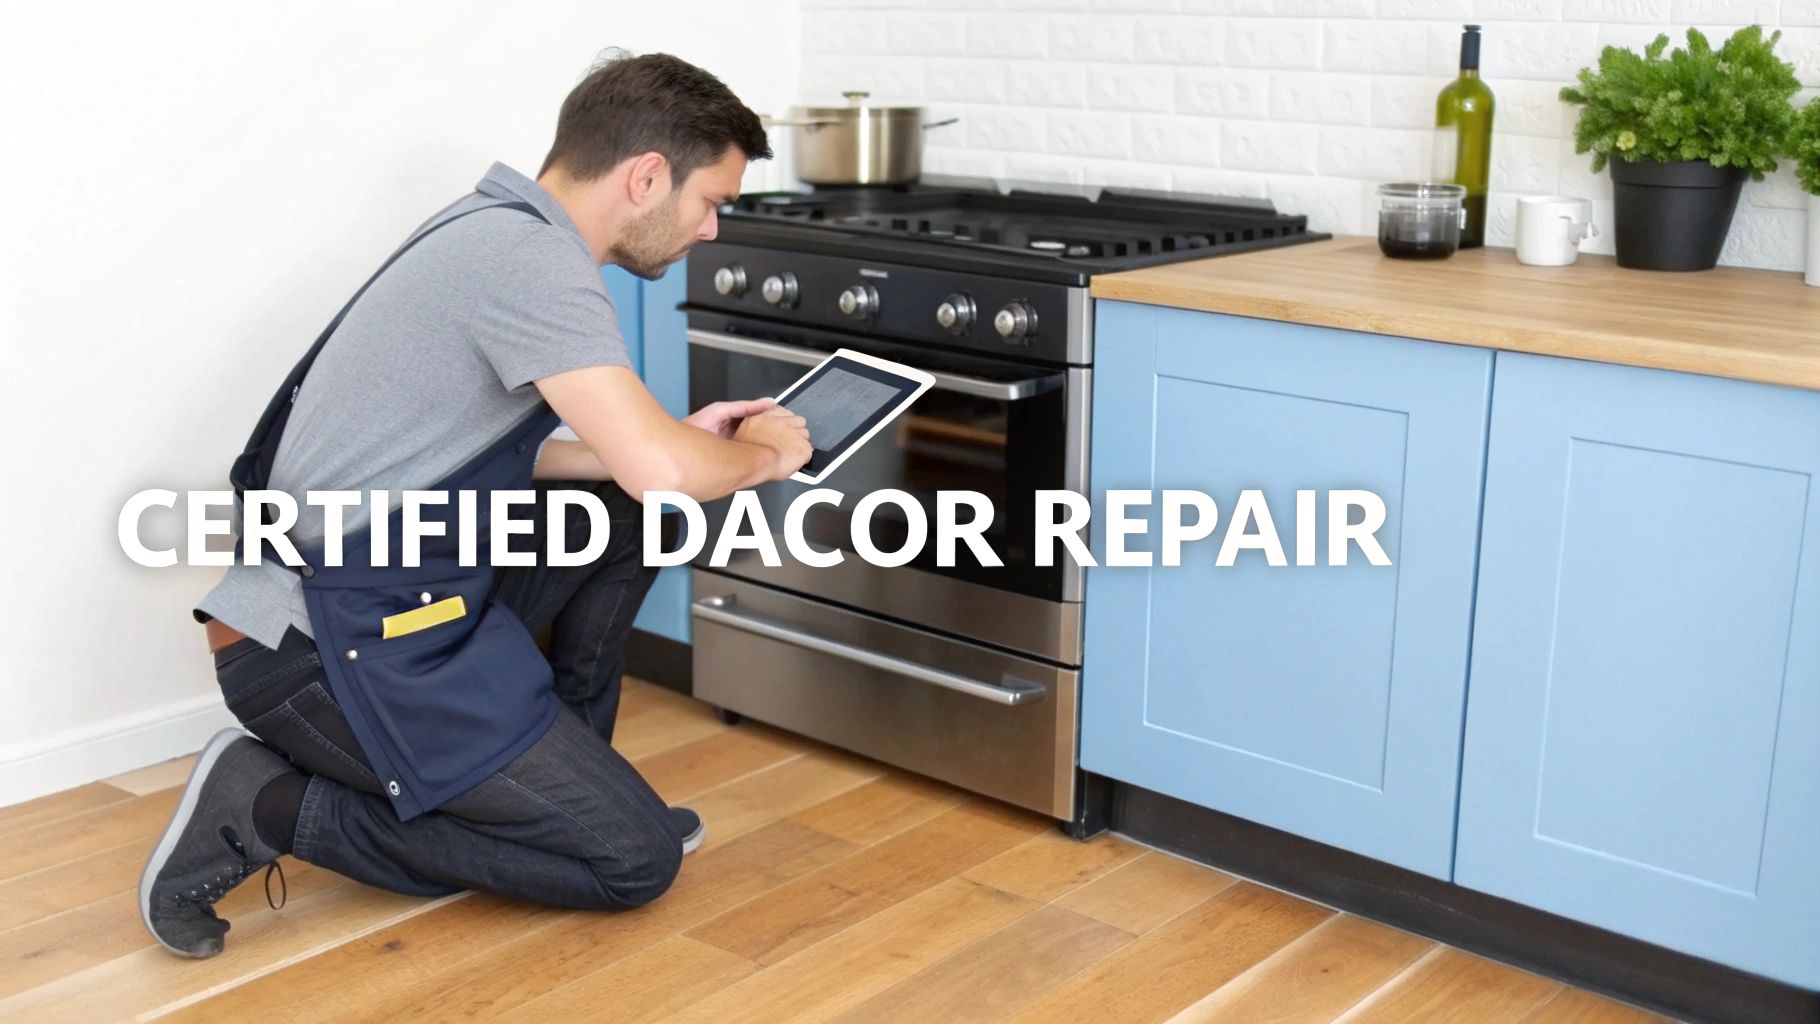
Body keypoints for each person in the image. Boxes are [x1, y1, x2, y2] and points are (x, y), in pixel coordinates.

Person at [138, 51, 812, 959]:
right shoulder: (531, 262)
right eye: (711, 201)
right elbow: (667, 471)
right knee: (632, 864)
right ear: (647, 176)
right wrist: (758, 456)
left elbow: (551, 461)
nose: (713, 229)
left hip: (388, 600)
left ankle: (568, 781)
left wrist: (667, 453)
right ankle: (270, 804)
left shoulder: (495, 226)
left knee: (621, 505)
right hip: (316, 647)